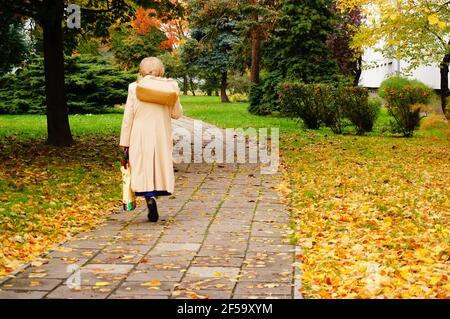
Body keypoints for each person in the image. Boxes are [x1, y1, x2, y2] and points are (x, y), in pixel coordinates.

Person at [119, 57, 183, 222]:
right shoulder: (171, 87)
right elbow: (177, 114)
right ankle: (156, 193)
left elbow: (128, 117)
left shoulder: (134, 87)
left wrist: (125, 143)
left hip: (139, 133)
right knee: (159, 164)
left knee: (143, 166)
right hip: (161, 132)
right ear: (160, 70)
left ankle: (149, 197)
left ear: (142, 70)